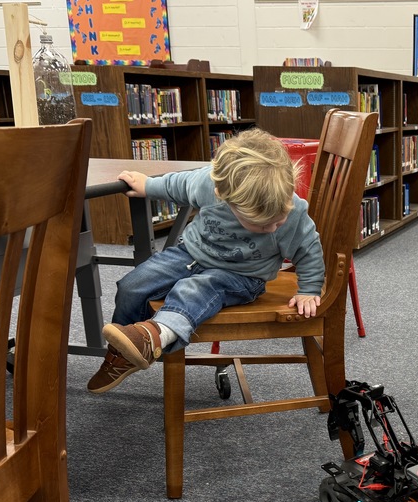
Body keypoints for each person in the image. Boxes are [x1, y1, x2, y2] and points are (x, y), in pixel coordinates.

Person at [87, 128, 323, 394]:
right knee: (132, 285)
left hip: (243, 276)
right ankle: (124, 352)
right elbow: (179, 185)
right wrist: (148, 186)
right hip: (191, 253)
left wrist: (309, 289)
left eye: (276, 222)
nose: (271, 229)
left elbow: (309, 248)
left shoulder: (293, 211)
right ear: (224, 195)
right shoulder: (210, 185)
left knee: (195, 289)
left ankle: (156, 334)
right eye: (259, 224)